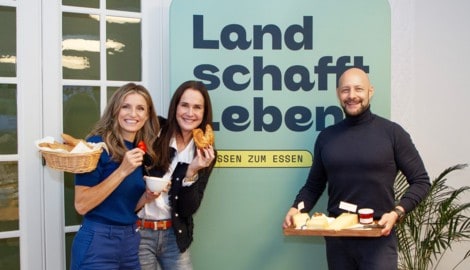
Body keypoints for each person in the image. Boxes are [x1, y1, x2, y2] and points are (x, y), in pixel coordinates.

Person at [282, 67, 431, 270]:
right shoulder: (326, 137)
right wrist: (296, 208)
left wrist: (397, 212)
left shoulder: (393, 133)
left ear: (370, 91)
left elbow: (421, 181)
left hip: (379, 236)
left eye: (358, 89)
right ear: (338, 94)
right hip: (338, 240)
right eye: (345, 90)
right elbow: (313, 186)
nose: (352, 96)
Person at [70, 83, 161, 270]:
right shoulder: (95, 146)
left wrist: (146, 198)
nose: (133, 114)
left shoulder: (138, 150)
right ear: (115, 110)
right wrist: (122, 171)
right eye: (126, 106)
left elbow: (121, 207)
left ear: (147, 116)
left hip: (129, 242)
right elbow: (81, 204)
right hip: (98, 242)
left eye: (140, 108)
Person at [137, 80, 217, 270]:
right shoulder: (155, 130)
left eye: (197, 107)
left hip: (174, 235)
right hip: (140, 232)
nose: (190, 113)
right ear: (175, 106)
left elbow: (188, 209)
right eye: (185, 105)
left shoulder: (205, 153)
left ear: (204, 113)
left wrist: (191, 172)